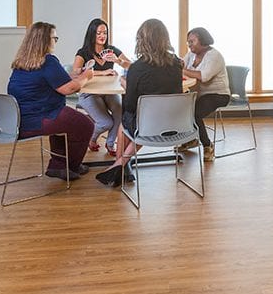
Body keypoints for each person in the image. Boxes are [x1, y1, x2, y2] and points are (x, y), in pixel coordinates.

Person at [95, 18, 182, 186]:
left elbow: (130, 105)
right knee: (139, 121)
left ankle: (120, 165)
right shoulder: (177, 63)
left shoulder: (137, 68)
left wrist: (126, 85)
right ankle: (121, 166)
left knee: (124, 122)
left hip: (149, 126)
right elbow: (174, 93)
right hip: (175, 124)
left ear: (141, 40)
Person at [7, 22, 95, 181]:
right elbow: (69, 89)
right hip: (38, 119)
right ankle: (71, 166)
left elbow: (57, 80)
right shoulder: (48, 61)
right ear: (45, 40)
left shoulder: (22, 62)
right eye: (55, 38)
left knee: (65, 119)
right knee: (85, 124)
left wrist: (77, 77)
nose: (55, 41)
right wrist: (86, 77)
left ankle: (58, 165)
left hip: (20, 119)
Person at [70, 18, 132, 157]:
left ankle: (110, 144)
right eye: (98, 33)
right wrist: (101, 72)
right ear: (92, 34)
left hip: (109, 92)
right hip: (89, 93)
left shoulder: (111, 50)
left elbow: (131, 66)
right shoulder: (83, 52)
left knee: (119, 115)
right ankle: (90, 140)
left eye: (104, 33)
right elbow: (74, 73)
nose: (102, 36)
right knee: (105, 123)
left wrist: (117, 60)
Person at [180, 27, 230, 162]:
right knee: (180, 108)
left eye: (192, 41)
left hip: (218, 95)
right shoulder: (191, 54)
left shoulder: (214, 56)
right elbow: (181, 65)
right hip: (199, 94)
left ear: (203, 40)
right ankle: (190, 140)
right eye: (188, 42)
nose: (189, 45)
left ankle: (207, 145)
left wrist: (182, 70)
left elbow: (204, 76)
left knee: (194, 113)